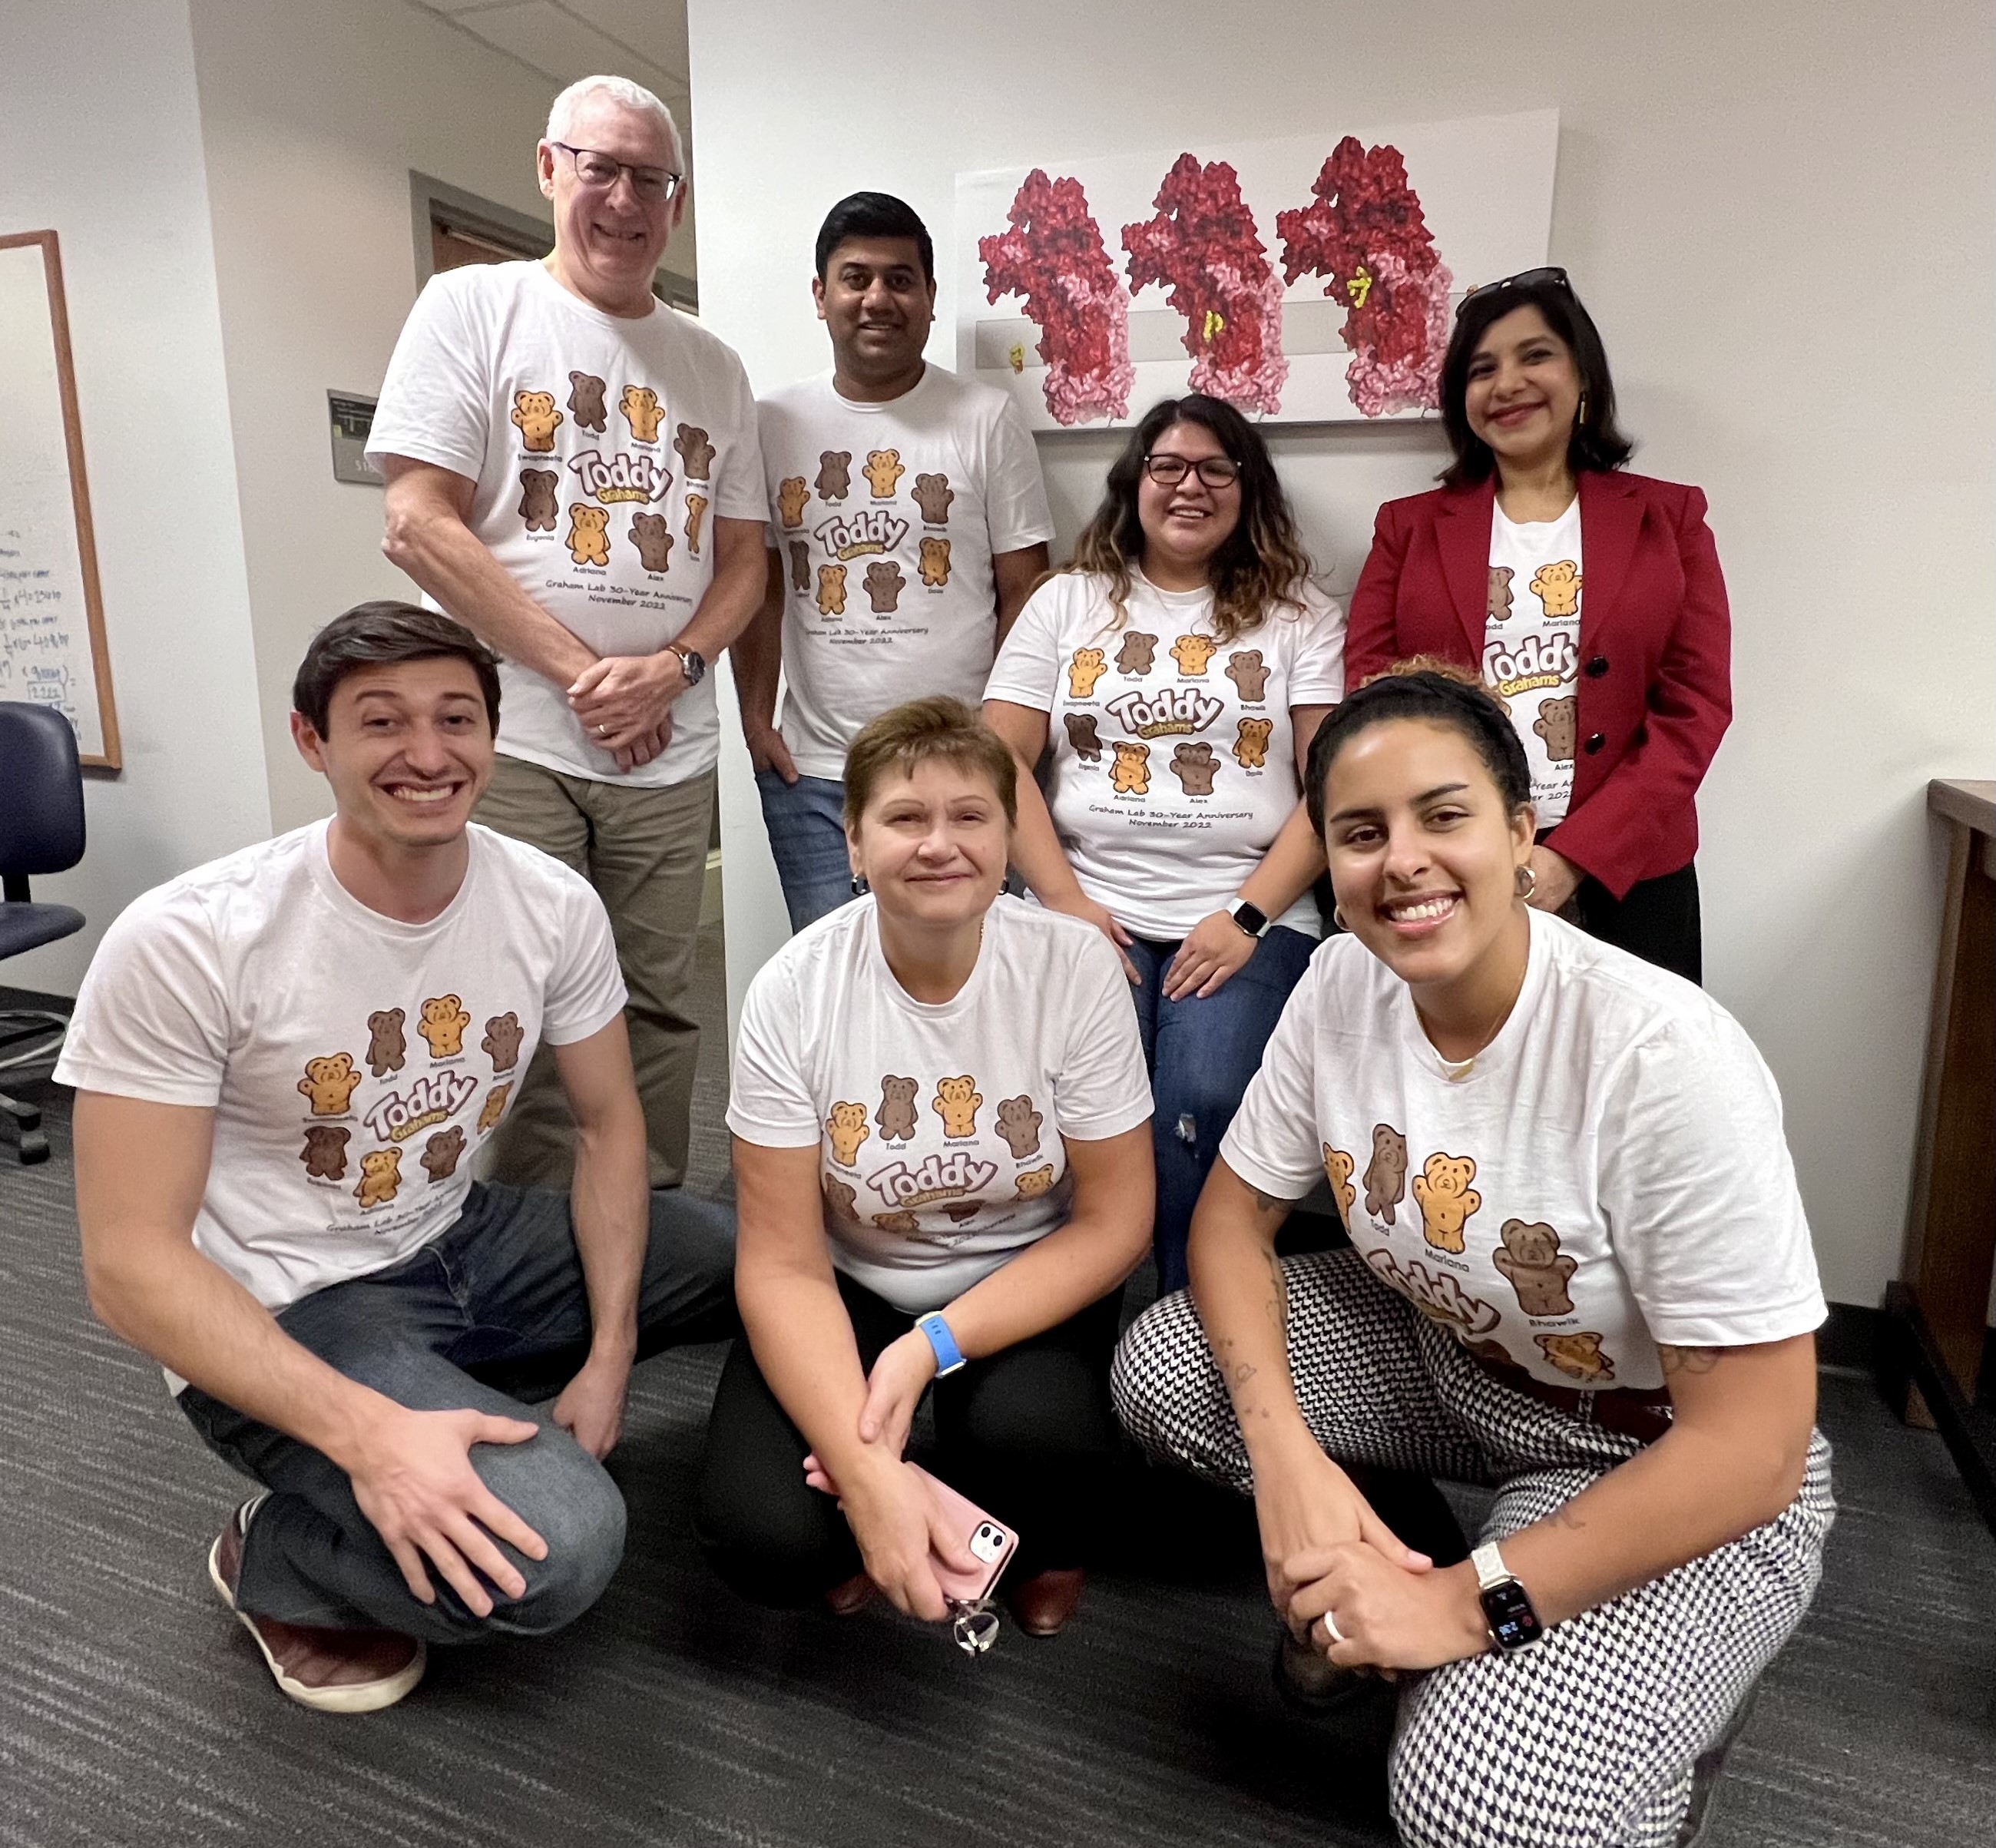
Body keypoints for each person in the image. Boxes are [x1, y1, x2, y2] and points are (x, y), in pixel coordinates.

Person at [1112, 666, 1832, 1848]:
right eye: (1360, 833)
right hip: (1453, 1366)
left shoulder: (1658, 1056)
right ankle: (1421, 1576)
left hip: (1656, 1453)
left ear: (1519, 833)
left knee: (1474, 1804)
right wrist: (1286, 1460)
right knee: (1168, 1367)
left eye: (1441, 815)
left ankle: (1641, 1700)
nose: (1401, 860)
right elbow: (1230, 1224)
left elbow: (1751, 1448)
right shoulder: (1340, 981)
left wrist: (1457, 1608)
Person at [60, 604, 737, 1714]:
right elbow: (128, 1266)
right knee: (557, 1550)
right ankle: (276, 1549)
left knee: (750, 1256)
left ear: (492, 735)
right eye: (382, 722)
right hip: (293, 1303)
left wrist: (611, 1353)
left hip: (457, 1234)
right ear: (312, 741)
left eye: (455, 719)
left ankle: (456, 1403)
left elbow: (610, 1126)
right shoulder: (192, 938)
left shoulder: (548, 901)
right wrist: (370, 1438)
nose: (427, 753)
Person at [368, 74, 766, 1190]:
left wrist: (674, 671)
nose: (624, 200)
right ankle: (532, 1238)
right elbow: (415, 523)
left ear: (676, 201)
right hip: (517, 740)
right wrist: (595, 679)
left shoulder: (712, 365)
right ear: (550, 170)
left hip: (669, 751)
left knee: (659, 1004)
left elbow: (745, 561)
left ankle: (644, 1217)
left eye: (650, 179)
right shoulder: (472, 308)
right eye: (601, 169)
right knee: (520, 999)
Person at [697, 697, 1153, 1638]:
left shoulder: (1073, 969)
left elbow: (1116, 1223)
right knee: (767, 1540)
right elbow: (780, 1263)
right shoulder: (792, 991)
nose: (939, 844)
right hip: (855, 1278)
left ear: (1008, 838)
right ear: (854, 845)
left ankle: (1033, 1533)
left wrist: (929, 1347)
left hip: (1022, 1274)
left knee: (1040, 1443)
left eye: (969, 816)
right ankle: (892, 1500)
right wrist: (865, 1471)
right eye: (905, 818)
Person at [984, 393, 1346, 1293]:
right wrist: (1064, 904)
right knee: (1073, 1100)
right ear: (1133, 482)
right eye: (1168, 466)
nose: (1191, 486)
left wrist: (1246, 918)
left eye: (1216, 469)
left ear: (1247, 489)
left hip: (1246, 913)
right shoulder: (1065, 602)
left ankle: (1185, 1317)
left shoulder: (1299, 615)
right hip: (1084, 901)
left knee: (1203, 1098)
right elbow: (996, 761)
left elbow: (1333, 788)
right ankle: (1064, 1314)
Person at [1345, 267, 1729, 985]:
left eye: (1535, 355)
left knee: (1632, 1053)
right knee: (1468, 1050)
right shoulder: (1407, 528)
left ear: (1582, 375)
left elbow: (1695, 707)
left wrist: (1573, 857)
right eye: (1481, 369)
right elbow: (1372, 700)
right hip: (1451, 865)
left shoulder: (1669, 517)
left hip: (1634, 872)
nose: (1507, 383)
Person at [737, 191, 1054, 931]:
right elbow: (761, 582)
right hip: (815, 774)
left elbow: (1026, 591)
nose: (878, 298)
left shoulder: (986, 418)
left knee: (966, 974)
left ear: (930, 297)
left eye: (900, 279)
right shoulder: (770, 423)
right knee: (834, 978)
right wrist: (755, 720)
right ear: (821, 296)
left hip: (958, 768)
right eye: (855, 278)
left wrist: (998, 741)